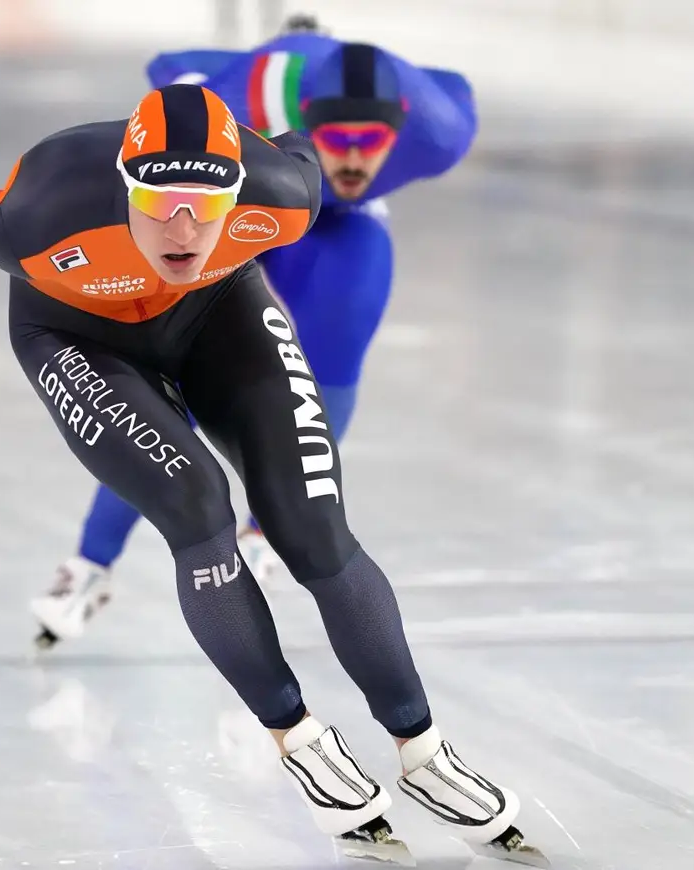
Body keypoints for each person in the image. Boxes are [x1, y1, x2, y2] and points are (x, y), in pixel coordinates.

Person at [0, 83, 543, 865]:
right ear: (126, 187)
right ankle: (298, 739)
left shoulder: (284, 194)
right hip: (76, 335)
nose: (183, 229)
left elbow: (298, 142)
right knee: (197, 505)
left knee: (313, 526)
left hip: (216, 310)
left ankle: (424, 751)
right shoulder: (42, 221)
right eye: (160, 204)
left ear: (238, 193)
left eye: (206, 205)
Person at [43, 16, 478, 624]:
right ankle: (91, 562)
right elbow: (168, 83)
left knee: (341, 330)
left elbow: (455, 83)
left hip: (334, 220)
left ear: (402, 123)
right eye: (337, 137)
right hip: (244, 202)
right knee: (187, 379)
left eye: (372, 140)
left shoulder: (439, 129)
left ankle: (266, 527)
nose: (355, 158)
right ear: (307, 117)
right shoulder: (249, 98)